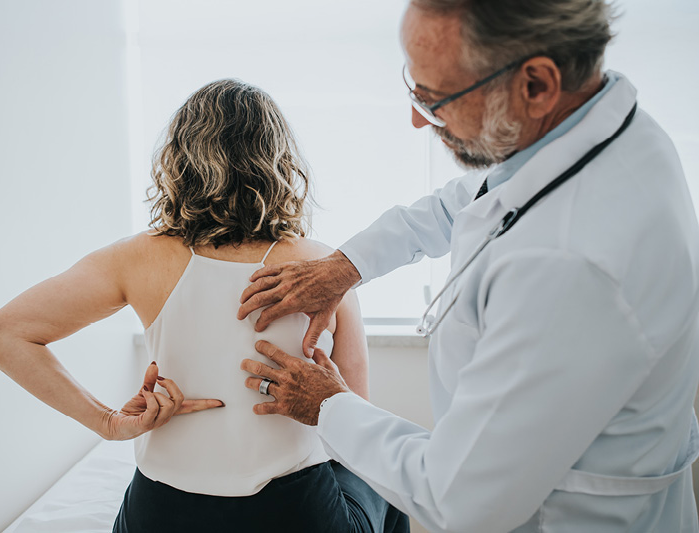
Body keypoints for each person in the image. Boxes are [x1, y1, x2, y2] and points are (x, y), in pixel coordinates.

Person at [238, 1, 699, 531]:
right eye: (413, 89)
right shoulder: (590, 130)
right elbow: (469, 201)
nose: (417, 118)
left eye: (436, 99)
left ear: (535, 86)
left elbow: (459, 497)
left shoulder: (571, 266)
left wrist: (328, 406)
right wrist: (347, 264)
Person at [0, 79, 409, 532]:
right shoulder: (324, 266)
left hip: (162, 513)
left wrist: (106, 423)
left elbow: (0, 336)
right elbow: (355, 418)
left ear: (180, 161)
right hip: (292, 513)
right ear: (279, 161)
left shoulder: (136, 259)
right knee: (386, 481)